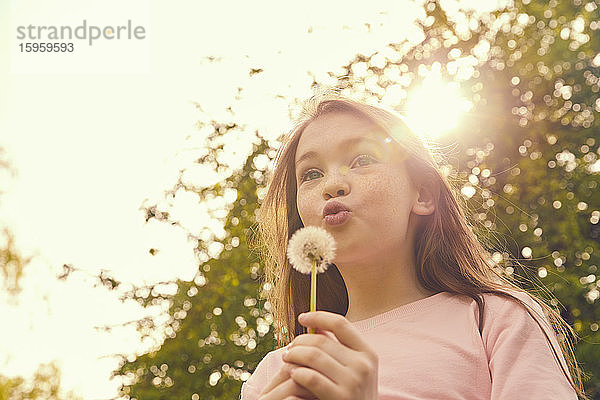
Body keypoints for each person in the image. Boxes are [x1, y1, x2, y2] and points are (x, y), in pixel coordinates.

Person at [240, 88, 588, 400]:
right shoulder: (274, 374)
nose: (332, 184)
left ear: (422, 194)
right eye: (311, 174)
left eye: (363, 159)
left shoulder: (494, 319)